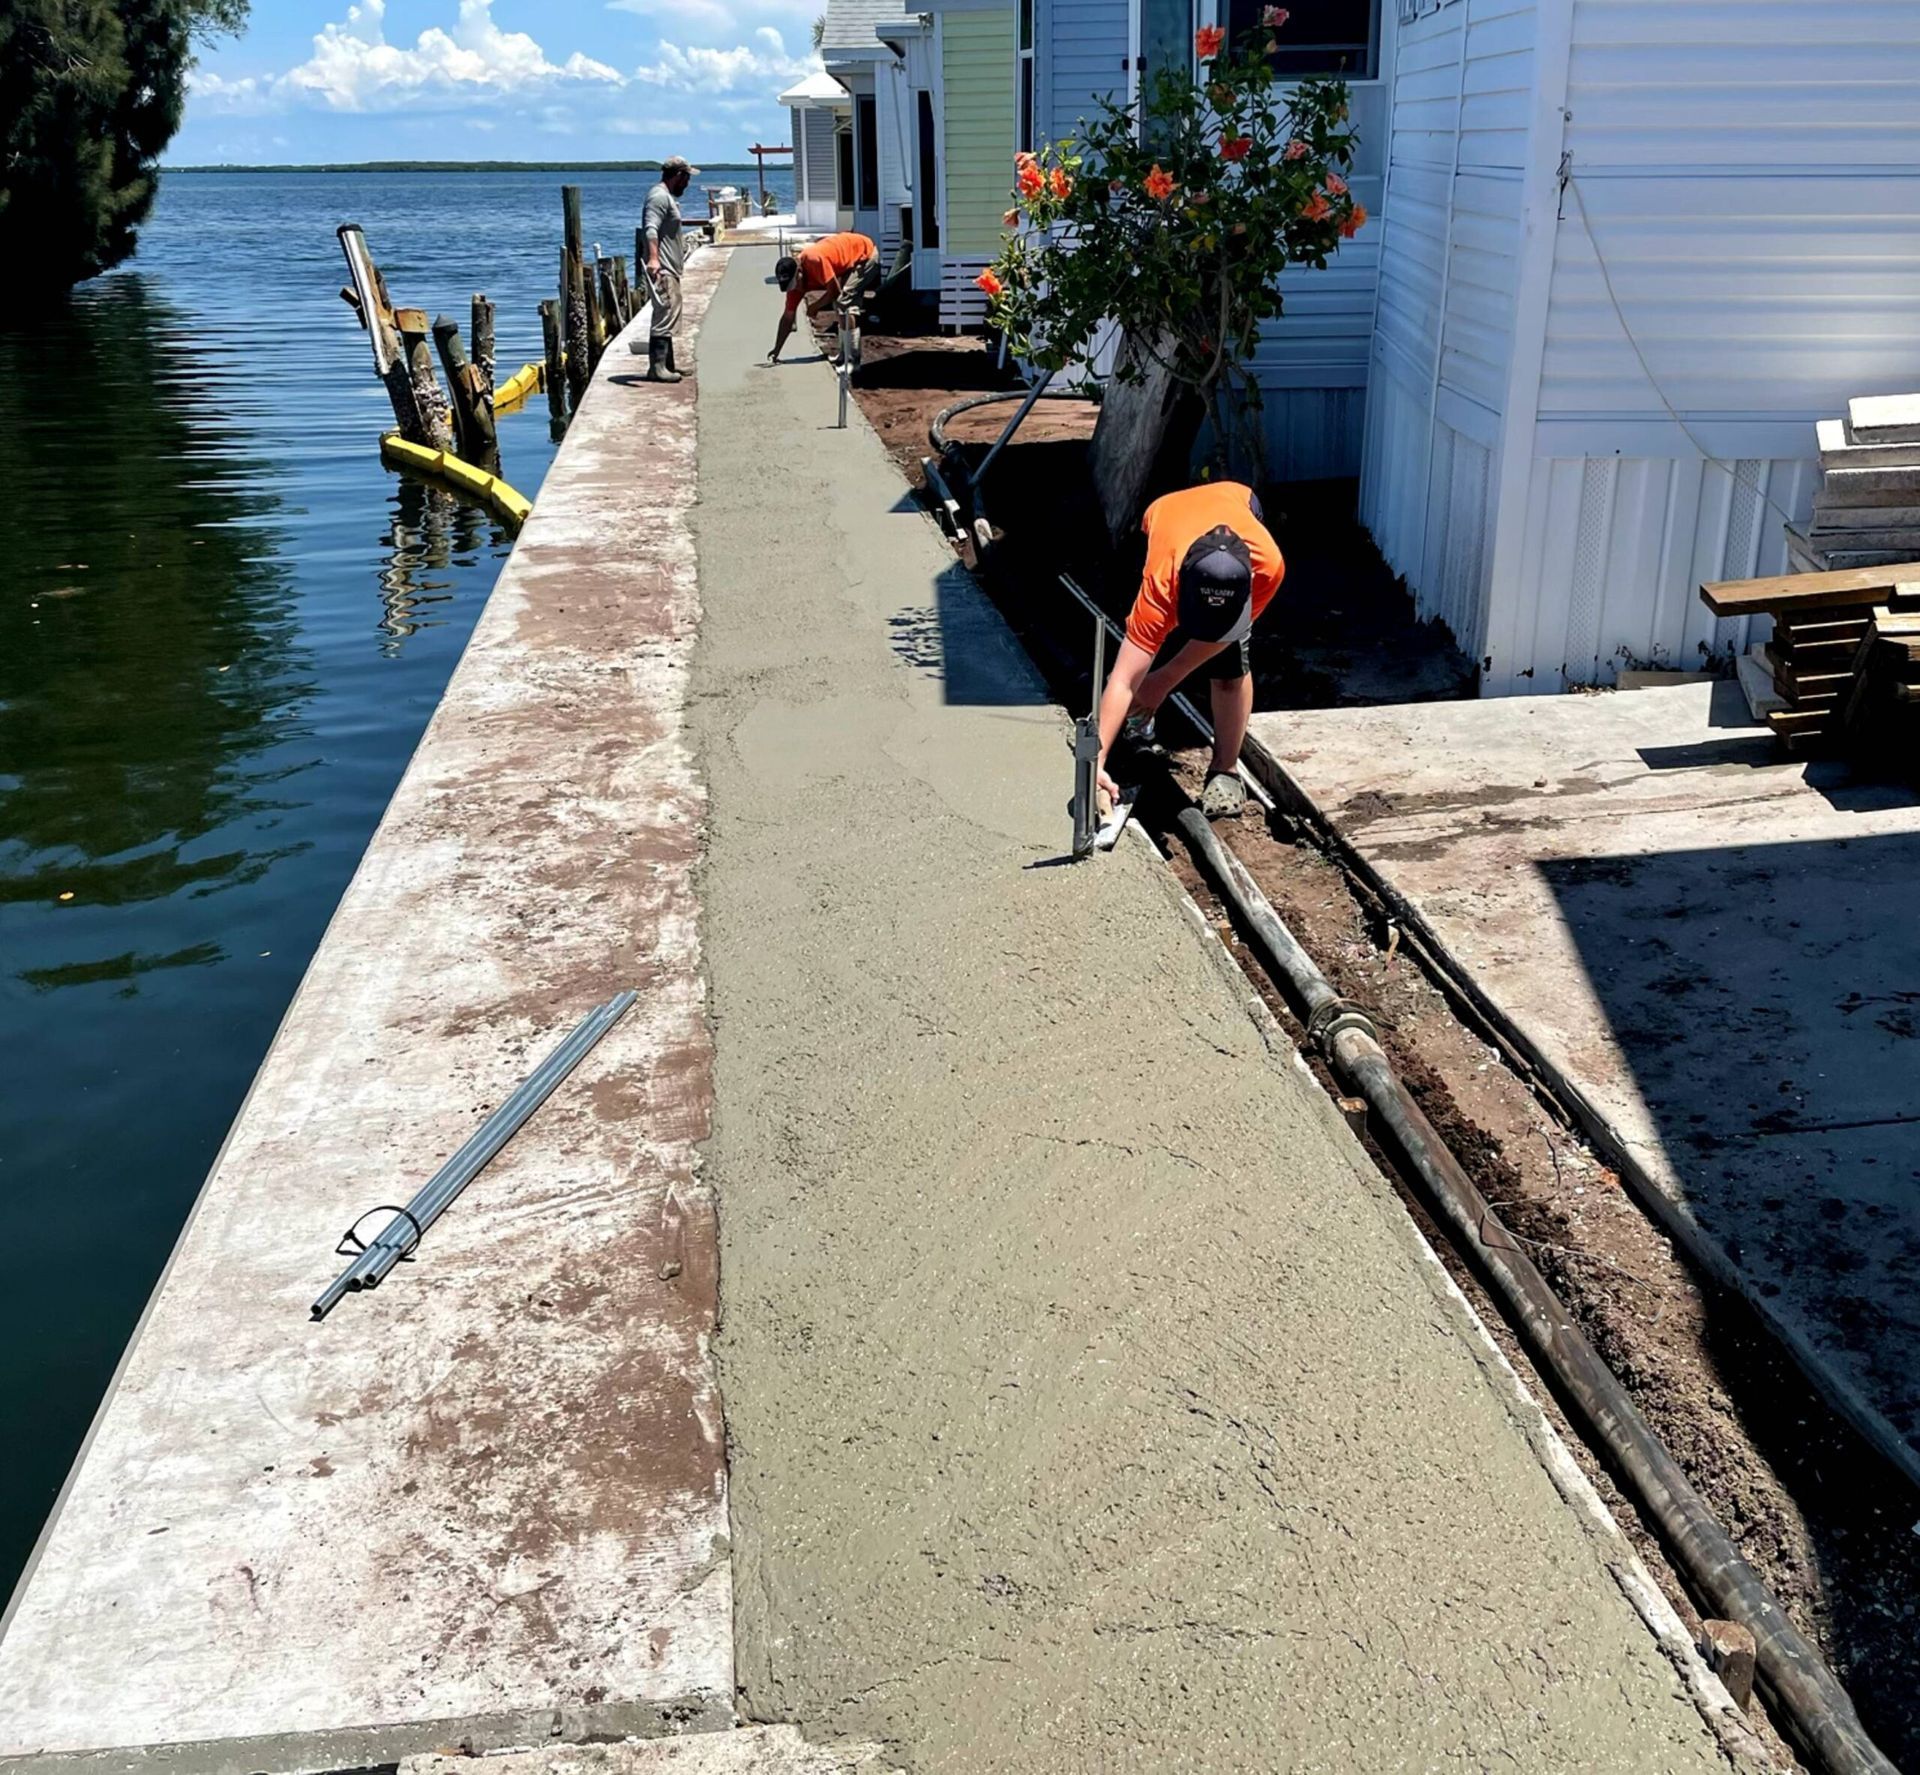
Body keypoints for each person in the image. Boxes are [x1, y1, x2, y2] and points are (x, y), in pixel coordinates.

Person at [1095, 480, 1284, 819]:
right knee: (1143, 658)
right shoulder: (1160, 586)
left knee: (1230, 667)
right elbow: (1123, 680)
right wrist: (1095, 763)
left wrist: (1162, 682)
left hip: (1237, 498)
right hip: (1166, 512)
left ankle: (1226, 771)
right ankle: (1135, 727)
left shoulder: (1267, 567)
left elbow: (1223, 637)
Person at [767, 231, 880, 363]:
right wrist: (776, 349)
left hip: (865, 253)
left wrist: (814, 307)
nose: (795, 288)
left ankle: (852, 358)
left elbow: (835, 292)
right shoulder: (794, 287)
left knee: (843, 302)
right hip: (848, 259)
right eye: (791, 287)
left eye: (795, 283)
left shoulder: (814, 260)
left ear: (799, 272)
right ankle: (845, 354)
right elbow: (788, 317)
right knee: (840, 303)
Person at [641, 155, 697, 384]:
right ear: (678, 175)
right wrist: (654, 260)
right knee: (664, 313)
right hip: (662, 267)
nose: (688, 183)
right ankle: (657, 368)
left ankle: (668, 364)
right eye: (686, 178)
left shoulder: (666, 197)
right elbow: (650, 228)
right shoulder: (658, 197)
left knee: (671, 313)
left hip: (670, 267)